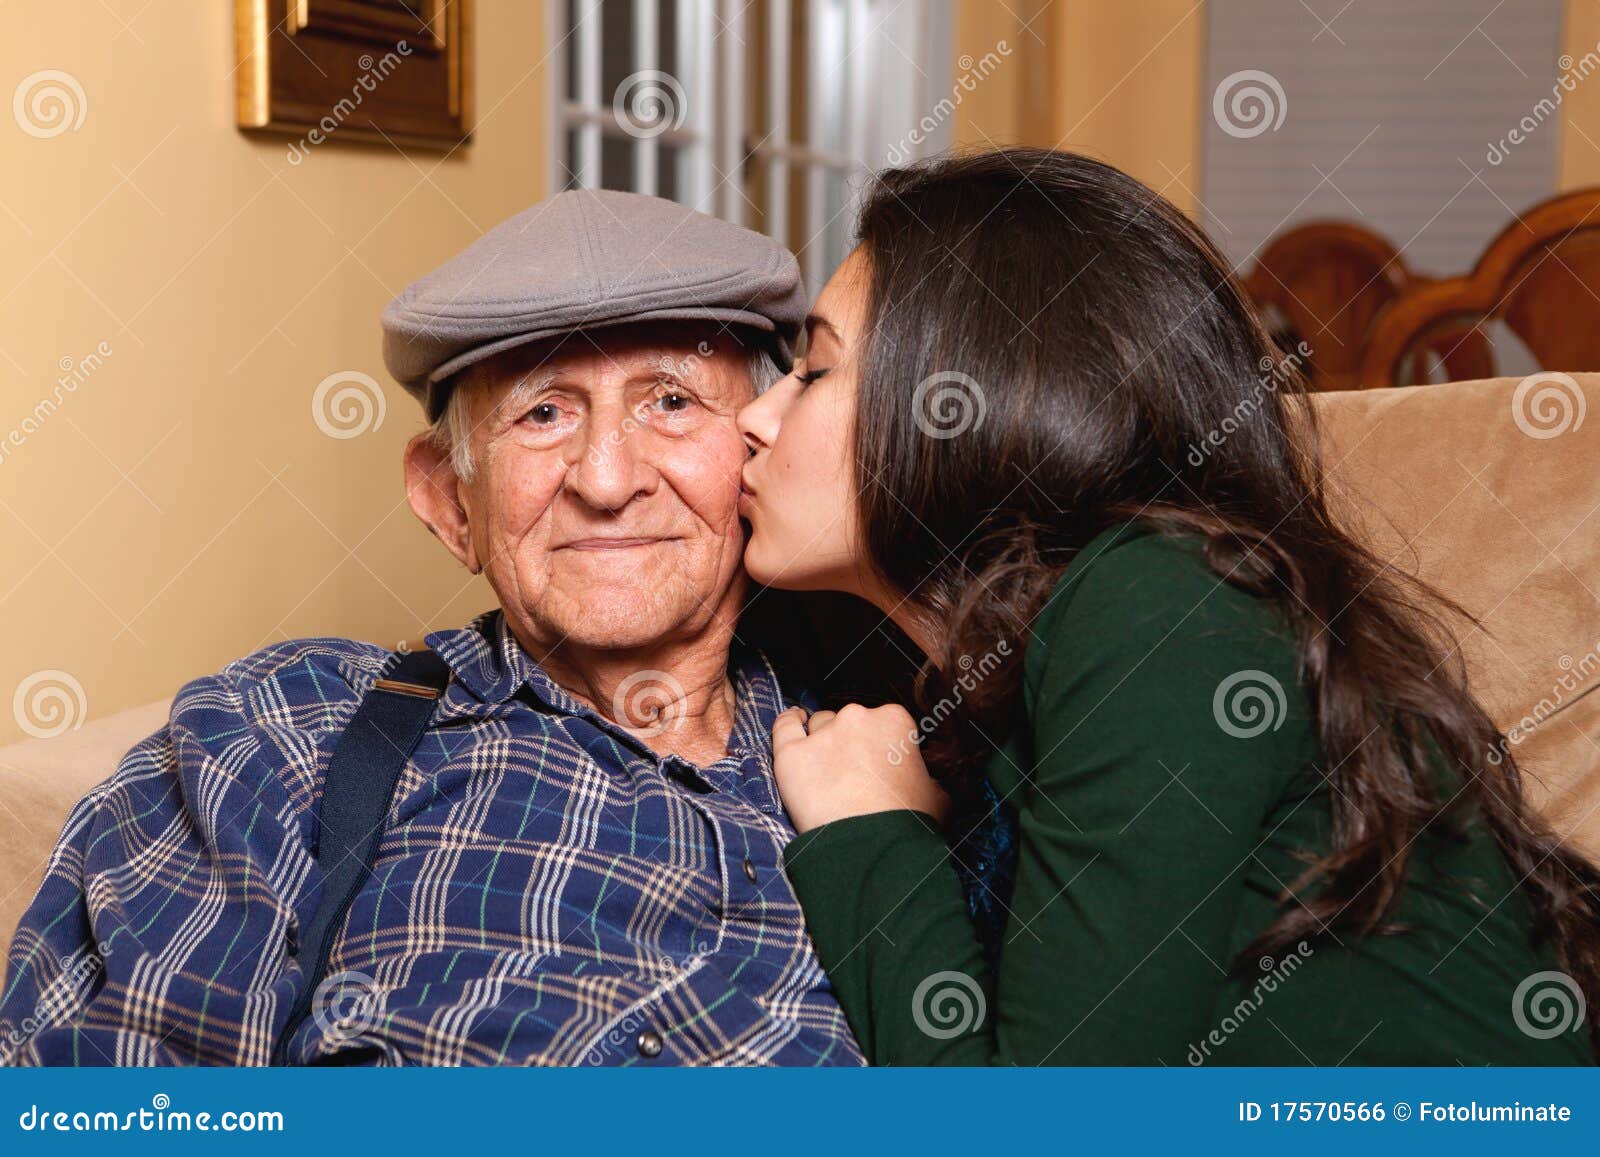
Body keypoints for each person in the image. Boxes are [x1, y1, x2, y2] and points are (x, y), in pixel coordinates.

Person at [735, 147, 1600, 1066]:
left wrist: (873, 832)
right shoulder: (1004, 665)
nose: (757, 417)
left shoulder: (1157, 603)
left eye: (814, 372)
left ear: (969, 404)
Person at [0, 189, 863, 1067]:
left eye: (672, 400)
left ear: (761, 451)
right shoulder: (286, 732)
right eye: (543, 413)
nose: (605, 480)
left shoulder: (891, 764)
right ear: (451, 500)